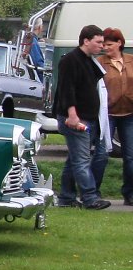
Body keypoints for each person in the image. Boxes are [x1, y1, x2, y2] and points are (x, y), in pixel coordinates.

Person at [52, 24, 109, 210]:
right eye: (98, 42)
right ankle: (90, 198)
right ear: (86, 40)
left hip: (89, 117)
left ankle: (66, 197)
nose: (102, 46)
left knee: (74, 160)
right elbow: (66, 89)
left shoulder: (89, 61)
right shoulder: (70, 60)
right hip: (75, 118)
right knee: (82, 160)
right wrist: (72, 114)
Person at [100, 28, 132, 206]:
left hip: (129, 114)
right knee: (102, 155)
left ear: (120, 43)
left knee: (130, 156)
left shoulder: (131, 61)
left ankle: (130, 193)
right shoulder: (100, 63)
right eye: (104, 45)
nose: (105, 48)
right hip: (108, 115)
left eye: (109, 44)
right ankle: (93, 193)